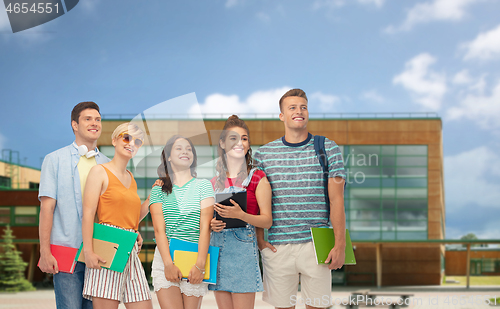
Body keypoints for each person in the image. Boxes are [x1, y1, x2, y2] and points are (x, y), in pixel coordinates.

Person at [254, 89, 347, 309]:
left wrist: (340, 244)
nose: (299, 111)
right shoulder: (263, 155)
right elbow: (257, 202)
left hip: (316, 245)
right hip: (278, 245)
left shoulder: (327, 148)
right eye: (292, 107)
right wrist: (259, 239)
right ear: (282, 116)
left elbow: (337, 201)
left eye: (303, 107)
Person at [38, 101, 110, 309]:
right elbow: (47, 209)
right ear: (74, 125)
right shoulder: (54, 160)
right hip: (66, 251)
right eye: (88, 119)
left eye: (97, 119)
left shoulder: (107, 164)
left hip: (99, 253)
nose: (94, 123)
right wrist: (44, 250)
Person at [81, 122, 152, 309]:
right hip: (107, 246)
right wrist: (88, 251)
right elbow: (88, 214)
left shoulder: (131, 177)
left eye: (137, 141)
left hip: (130, 248)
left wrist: (152, 199)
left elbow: (131, 216)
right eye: (126, 137)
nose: (131, 143)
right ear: (114, 140)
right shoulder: (99, 172)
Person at [209, 115, 272, 309]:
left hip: (244, 252)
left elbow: (267, 221)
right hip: (218, 251)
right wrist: (212, 225)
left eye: (244, 138)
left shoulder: (258, 178)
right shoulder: (214, 182)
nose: (240, 143)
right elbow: (207, 220)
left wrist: (241, 215)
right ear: (222, 143)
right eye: (233, 138)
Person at [149, 135, 215, 309]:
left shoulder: (204, 186)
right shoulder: (158, 189)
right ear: (168, 156)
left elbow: (205, 228)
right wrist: (168, 264)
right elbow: (158, 231)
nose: (185, 151)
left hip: (195, 258)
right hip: (165, 259)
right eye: (178, 148)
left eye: (188, 149)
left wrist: (200, 265)